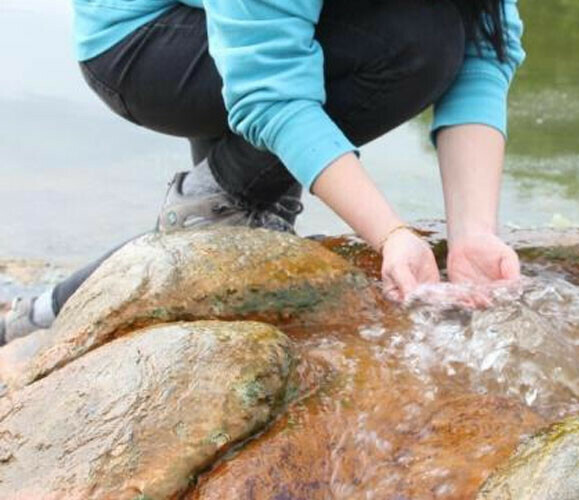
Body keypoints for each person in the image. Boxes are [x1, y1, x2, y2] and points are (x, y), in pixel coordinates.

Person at [1, 0, 525, 344]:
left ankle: (40, 314)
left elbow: (484, 50)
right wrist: (389, 233)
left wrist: (473, 233)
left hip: (259, 21)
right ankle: (215, 203)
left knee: (229, 237)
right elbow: (267, 91)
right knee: (419, 42)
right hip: (139, 34)